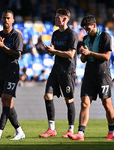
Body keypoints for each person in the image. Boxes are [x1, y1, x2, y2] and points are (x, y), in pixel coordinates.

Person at [68, 15, 114, 141]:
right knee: (84, 103)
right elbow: (84, 60)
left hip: (103, 75)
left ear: (94, 25)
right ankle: (80, 133)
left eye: (88, 28)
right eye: (84, 29)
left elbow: (106, 56)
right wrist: (83, 54)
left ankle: (111, 132)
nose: (86, 31)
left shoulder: (105, 36)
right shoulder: (85, 39)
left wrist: (89, 53)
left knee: (106, 103)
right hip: (89, 74)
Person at [39, 8, 78, 138]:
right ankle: (51, 129)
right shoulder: (55, 34)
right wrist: (50, 50)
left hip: (67, 71)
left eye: (57, 17)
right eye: (55, 17)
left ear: (65, 19)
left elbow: (71, 54)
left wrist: (54, 52)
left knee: (68, 99)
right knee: (47, 95)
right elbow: (53, 52)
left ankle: (70, 130)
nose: (55, 19)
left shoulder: (72, 34)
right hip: (56, 70)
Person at [0, 10, 25, 140]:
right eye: (4, 18)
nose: (6, 20)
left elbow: (17, 54)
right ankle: (19, 131)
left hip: (12, 72)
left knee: (5, 98)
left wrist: (2, 46)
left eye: (8, 18)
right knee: (8, 103)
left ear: (13, 20)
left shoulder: (16, 36)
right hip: (0, 73)